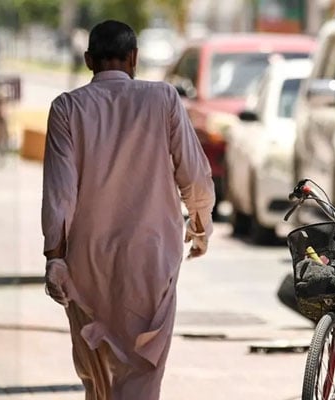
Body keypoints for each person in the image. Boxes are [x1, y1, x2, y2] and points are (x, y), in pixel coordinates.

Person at [42, 20, 215, 399]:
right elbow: (194, 174)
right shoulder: (164, 99)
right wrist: (200, 224)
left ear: (89, 60)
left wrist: (55, 258)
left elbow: (59, 192)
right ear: (134, 58)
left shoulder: (66, 108)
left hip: (87, 263)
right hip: (150, 261)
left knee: (97, 380)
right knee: (142, 374)